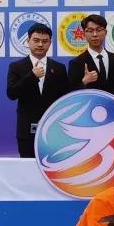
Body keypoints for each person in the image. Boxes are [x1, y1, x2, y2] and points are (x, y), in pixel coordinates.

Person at [6, 22, 70, 157]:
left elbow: (65, 98)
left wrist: (83, 82)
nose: (40, 44)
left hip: (53, 129)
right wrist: (32, 76)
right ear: (28, 41)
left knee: (52, 164)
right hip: (26, 129)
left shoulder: (59, 68)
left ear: (50, 43)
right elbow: (11, 93)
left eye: (45, 41)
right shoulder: (16, 66)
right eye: (36, 40)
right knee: (27, 166)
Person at [67, 14, 114, 93]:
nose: (95, 34)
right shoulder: (76, 63)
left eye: (98, 30)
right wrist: (84, 82)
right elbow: (70, 94)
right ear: (84, 33)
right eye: (90, 31)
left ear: (105, 32)